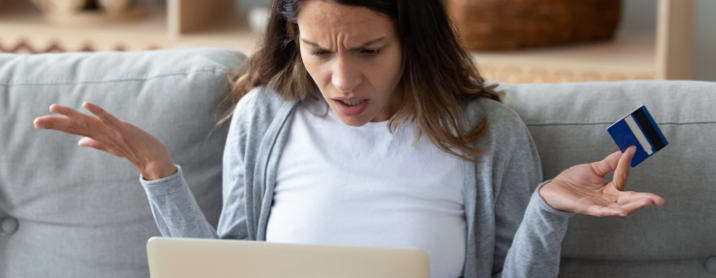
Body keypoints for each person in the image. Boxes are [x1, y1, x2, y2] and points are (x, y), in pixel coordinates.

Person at [33, 0, 665, 277]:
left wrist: (546, 211)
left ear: (411, 40)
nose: (342, 79)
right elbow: (225, 271)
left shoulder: (486, 133)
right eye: (317, 50)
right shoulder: (265, 117)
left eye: (369, 49)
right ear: (292, 41)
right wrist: (158, 171)